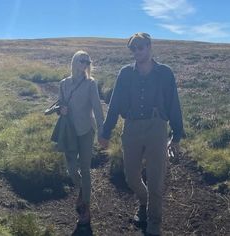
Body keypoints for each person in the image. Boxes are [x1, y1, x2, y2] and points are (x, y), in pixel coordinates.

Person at [99, 33, 184, 236]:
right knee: (131, 177)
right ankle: (143, 202)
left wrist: (177, 135)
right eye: (133, 49)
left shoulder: (165, 73)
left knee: (156, 180)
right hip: (132, 127)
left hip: (157, 128)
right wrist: (106, 130)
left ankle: (154, 223)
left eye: (140, 47)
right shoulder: (125, 73)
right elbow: (115, 104)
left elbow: (174, 104)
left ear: (149, 47)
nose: (137, 52)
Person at [59, 50, 104, 226]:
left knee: (85, 169)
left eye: (87, 62)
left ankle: (86, 206)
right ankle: (83, 190)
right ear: (74, 62)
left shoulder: (90, 84)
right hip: (69, 131)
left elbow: (97, 108)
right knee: (71, 168)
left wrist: (102, 130)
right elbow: (60, 103)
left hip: (86, 131)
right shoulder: (64, 83)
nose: (85, 64)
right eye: (82, 61)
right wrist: (61, 109)